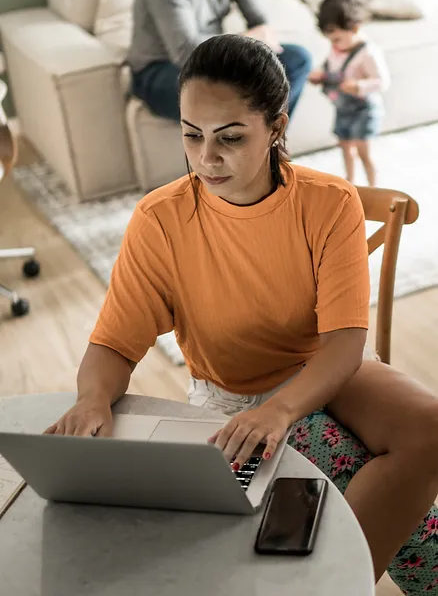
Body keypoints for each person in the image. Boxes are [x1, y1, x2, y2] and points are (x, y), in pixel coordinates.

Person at [47, 35, 438, 594]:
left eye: (230, 137)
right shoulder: (159, 219)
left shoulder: (330, 202)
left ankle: (330, 587)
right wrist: (90, 400)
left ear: (277, 127)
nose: (207, 157)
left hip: (324, 368)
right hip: (229, 390)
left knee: (430, 427)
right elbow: (114, 342)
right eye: (191, 134)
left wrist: (280, 410)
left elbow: (345, 344)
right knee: (320, 485)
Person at [127, 0, 311, 123]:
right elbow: (186, 52)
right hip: (162, 70)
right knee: (229, 91)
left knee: (296, 60)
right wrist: (248, 41)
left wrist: (259, 36)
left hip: (215, 61)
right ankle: (255, 145)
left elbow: (259, 21)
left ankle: (268, 144)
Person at [308, 0, 390, 187]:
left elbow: (383, 82)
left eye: (337, 39)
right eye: (330, 40)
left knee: (364, 152)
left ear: (354, 28)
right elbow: (331, 67)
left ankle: (373, 187)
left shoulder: (367, 53)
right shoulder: (337, 49)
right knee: (345, 146)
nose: (333, 44)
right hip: (343, 109)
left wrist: (359, 86)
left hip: (364, 110)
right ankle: (350, 183)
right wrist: (320, 74)